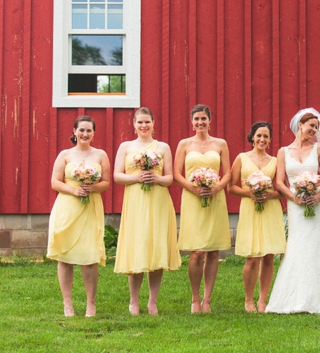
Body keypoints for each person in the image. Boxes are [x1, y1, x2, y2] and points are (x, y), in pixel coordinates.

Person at [266, 107, 320, 314]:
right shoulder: (283, 152)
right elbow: (280, 182)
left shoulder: (319, 149)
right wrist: (294, 197)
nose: (314, 130)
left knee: (319, 243)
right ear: (300, 125)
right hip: (295, 204)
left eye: (317, 127)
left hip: (315, 202)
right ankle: (293, 296)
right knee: (297, 244)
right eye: (311, 126)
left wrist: (318, 196)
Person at [113, 107, 181, 315]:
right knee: (137, 247)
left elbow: (169, 177)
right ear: (134, 124)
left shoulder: (163, 147)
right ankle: (133, 300)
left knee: (156, 248)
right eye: (140, 122)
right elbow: (117, 175)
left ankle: (152, 300)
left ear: (153, 123)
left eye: (147, 122)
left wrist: (156, 178)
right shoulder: (126, 147)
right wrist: (136, 178)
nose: (144, 126)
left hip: (158, 201)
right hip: (135, 202)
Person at [48, 115, 110, 317]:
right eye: (81, 130)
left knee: (90, 257)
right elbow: (55, 182)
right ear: (74, 132)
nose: (85, 134)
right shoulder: (65, 155)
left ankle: (91, 304)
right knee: (65, 257)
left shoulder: (101, 155)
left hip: (90, 206)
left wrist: (92, 187)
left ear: (94, 133)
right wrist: (74, 191)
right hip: (68, 206)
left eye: (89, 130)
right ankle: (68, 303)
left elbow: (106, 183)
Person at [174, 104, 232, 313]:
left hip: (215, 198)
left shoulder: (220, 144)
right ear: (192, 122)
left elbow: (227, 173)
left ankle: (207, 299)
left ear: (210, 120)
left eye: (203, 119)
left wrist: (216, 188)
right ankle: (195, 298)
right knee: (197, 252)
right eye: (196, 119)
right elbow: (176, 174)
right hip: (192, 199)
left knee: (213, 251)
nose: (200, 122)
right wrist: (193, 188)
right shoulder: (184, 144)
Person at [229, 121, 286, 313]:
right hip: (250, 208)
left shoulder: (275, 161)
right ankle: (248, 299)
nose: (262, 139)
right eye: (259, 135)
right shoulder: (242, 158)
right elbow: (231, 187)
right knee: (253, 257)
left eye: (266, 136)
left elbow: (282, 190)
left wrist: (270, 194)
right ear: (252, 137)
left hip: (270, 209)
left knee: (268, 256)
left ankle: (263, 299)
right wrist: (249, 193)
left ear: (270, 140)